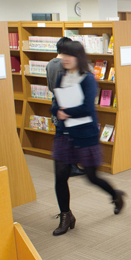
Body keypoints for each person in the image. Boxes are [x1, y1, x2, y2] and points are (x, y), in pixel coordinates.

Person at [51, 41, 125, 236]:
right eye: (63, 55)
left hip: (85, 135)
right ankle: (66, 215)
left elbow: (87, 108)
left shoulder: (88, 79)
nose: (65, 58)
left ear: (79, 58)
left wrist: (66, 113)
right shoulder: (60, 78)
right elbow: (53, 103)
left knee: (92, 177)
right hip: (64, 135)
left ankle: (115, 195)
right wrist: (58, 111)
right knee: (60, 176)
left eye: (70, 55)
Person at [47, 37, 85, 178]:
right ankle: (72, 167)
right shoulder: (67, 65)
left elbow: (50, 86)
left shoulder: (50, 64)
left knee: (61, 136)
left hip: (56, 103)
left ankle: (64, 167)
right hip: (69, 105)